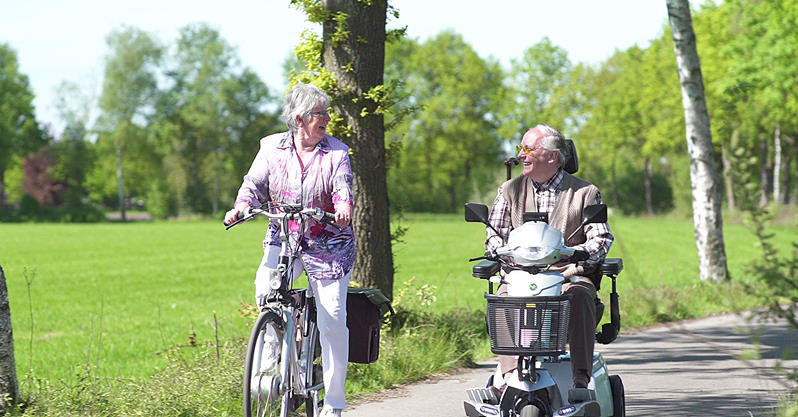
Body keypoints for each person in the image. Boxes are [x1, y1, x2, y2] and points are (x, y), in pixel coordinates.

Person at [224, 82, 354, 417]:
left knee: (333, 318)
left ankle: (334, 403)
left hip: (328, 243)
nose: (327, 118)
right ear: (299, 119)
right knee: (265, 291)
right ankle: (268, 363)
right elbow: (253, 184)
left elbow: (342, 187)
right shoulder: (270, 148)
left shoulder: (337, 153)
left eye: (326, 112)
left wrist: (342, 207)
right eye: (319, 113)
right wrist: (240, 207)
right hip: (284, 236)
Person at [485, 124, 614, 393]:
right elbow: (494, 235)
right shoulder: (509, 190)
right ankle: (510, 376)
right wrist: (500, 250)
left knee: (579, 293)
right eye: (520, 148)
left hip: (567, 274)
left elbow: (601, 238)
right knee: (505, 296)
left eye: (528, 148)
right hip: (520, 275)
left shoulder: (585, 192)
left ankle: (580, 378)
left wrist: (578, 255)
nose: (521, 155)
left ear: (552, 157)